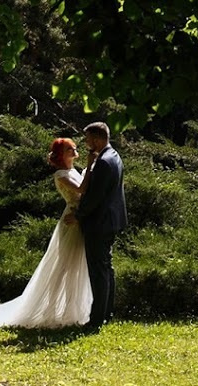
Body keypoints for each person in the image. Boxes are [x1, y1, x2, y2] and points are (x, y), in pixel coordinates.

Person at [0, 137, 92, 329]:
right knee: (65, 265)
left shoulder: (73, 170)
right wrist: (91, 166)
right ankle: (52, 308)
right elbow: (82, 189)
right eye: (69, 148)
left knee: (77, 265)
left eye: (74, 147)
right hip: (71, 219)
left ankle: (72, 308)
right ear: (61, 155)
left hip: (80, 217)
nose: (74, 149)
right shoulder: (60, 175)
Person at [69, 121, 127, 331]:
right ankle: (106, 312)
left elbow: (95, 196)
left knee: (98, 271)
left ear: (96, 139)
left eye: (87, 139)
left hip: (99, 223)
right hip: (111, 220)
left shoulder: (103, 162)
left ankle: (96, 319)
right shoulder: (114, 156)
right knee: (106, 268)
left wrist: (79, 215)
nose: (85, 143)